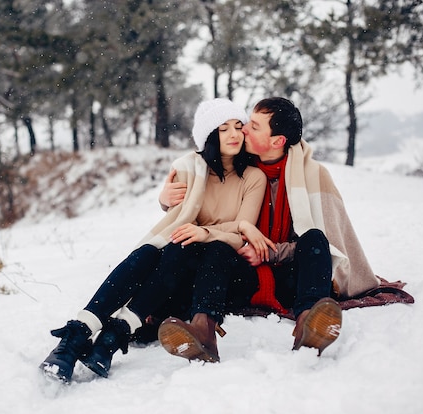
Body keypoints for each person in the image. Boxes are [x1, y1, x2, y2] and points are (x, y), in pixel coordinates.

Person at [39, 98, 267, 383]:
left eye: (238, 126)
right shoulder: (191, 170)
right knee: (150, 252)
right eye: (223, 129)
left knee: (211, 247)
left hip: (223, 272)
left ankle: (119, 333)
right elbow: (177, 219)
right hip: (182, 264)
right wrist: (165, 200)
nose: (233, 135)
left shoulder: (253, 177)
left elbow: (242, 228)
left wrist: (205, 232)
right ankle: (81, 334)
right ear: (209, 136)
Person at [157, 97, 381, 357]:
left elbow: (330, 243)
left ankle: (309, 323)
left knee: (315, 240)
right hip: (245, 273)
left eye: (253, 126)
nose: (243, 130)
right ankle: (203, 330)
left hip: (290, 277)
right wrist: (165, 199)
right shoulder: (240, 165)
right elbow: (202, 202)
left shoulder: (311, 174)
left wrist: (271, 252)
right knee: (218, 250)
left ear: (277, 141)